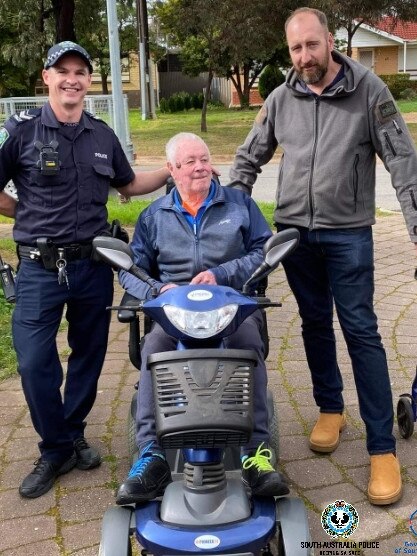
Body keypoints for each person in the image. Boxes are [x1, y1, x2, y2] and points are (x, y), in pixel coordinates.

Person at [229, 7, 417, 506]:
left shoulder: (369, 91)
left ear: (329, 41)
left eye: (312, 45)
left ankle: (381, 448)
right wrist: (226, 219)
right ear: (288, 50)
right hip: (294, 236)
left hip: (349, 233)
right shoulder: (279, 97)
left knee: (360, 329)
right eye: (296, 48)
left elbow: (402, 160)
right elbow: (249, 158)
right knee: (314, 323)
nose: (305, 56)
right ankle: (330, 409)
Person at [0, 41, 171, 499]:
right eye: (64, 71)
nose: (72, 79)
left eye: (81, 72)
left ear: (88, 81)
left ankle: (72, 434)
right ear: (47, 77)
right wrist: (24, 214)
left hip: (94, 266)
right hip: (39, 268)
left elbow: (129, 184)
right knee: (35, 362)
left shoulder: (101, 135)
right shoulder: (21, 132)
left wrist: (174, 170)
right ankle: (54, 448)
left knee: (89, 355)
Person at [114, 132, 290, 504]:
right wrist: (156, 290)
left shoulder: (240, 205)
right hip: (174, 313)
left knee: (248, 344)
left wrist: (222, 274)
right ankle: (151, 454)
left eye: (204, 159)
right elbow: (130, 268)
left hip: (230, 308)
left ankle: (257, 454)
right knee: (154, 349)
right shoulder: (153, 216)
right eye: (189, 161)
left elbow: (264, 251)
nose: (200, 167)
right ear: (171, 170)